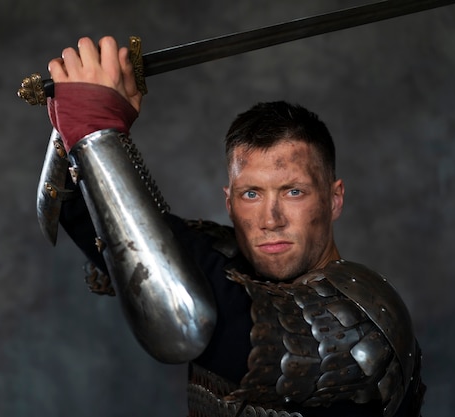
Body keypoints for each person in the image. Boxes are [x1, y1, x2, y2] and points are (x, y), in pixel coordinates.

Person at [45, 36, 425, 417]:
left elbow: (189, 320)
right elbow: (86, 214)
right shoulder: (226, 262)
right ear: (229, 201)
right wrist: (74, 128)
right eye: (251, 194)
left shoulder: (364, 325)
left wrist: (96, 131)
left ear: (334, 199)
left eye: (293, 192)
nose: (270, 219)